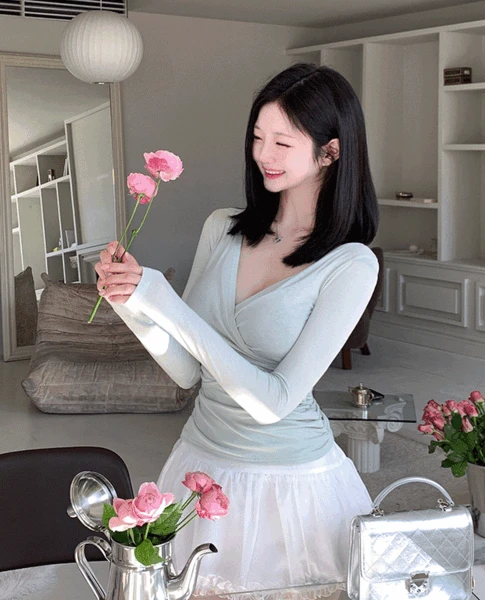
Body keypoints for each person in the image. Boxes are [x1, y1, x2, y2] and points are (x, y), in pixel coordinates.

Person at [95, 63, 379, 598]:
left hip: (291, 481)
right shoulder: (222, 228)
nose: (263, 154)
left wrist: (166, 302)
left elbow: (274, 402)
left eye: (282, 142)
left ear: (330, 152)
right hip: (200, 461)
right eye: (257, 137)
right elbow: (187, 371)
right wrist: (133, 302)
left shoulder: (350, 264)